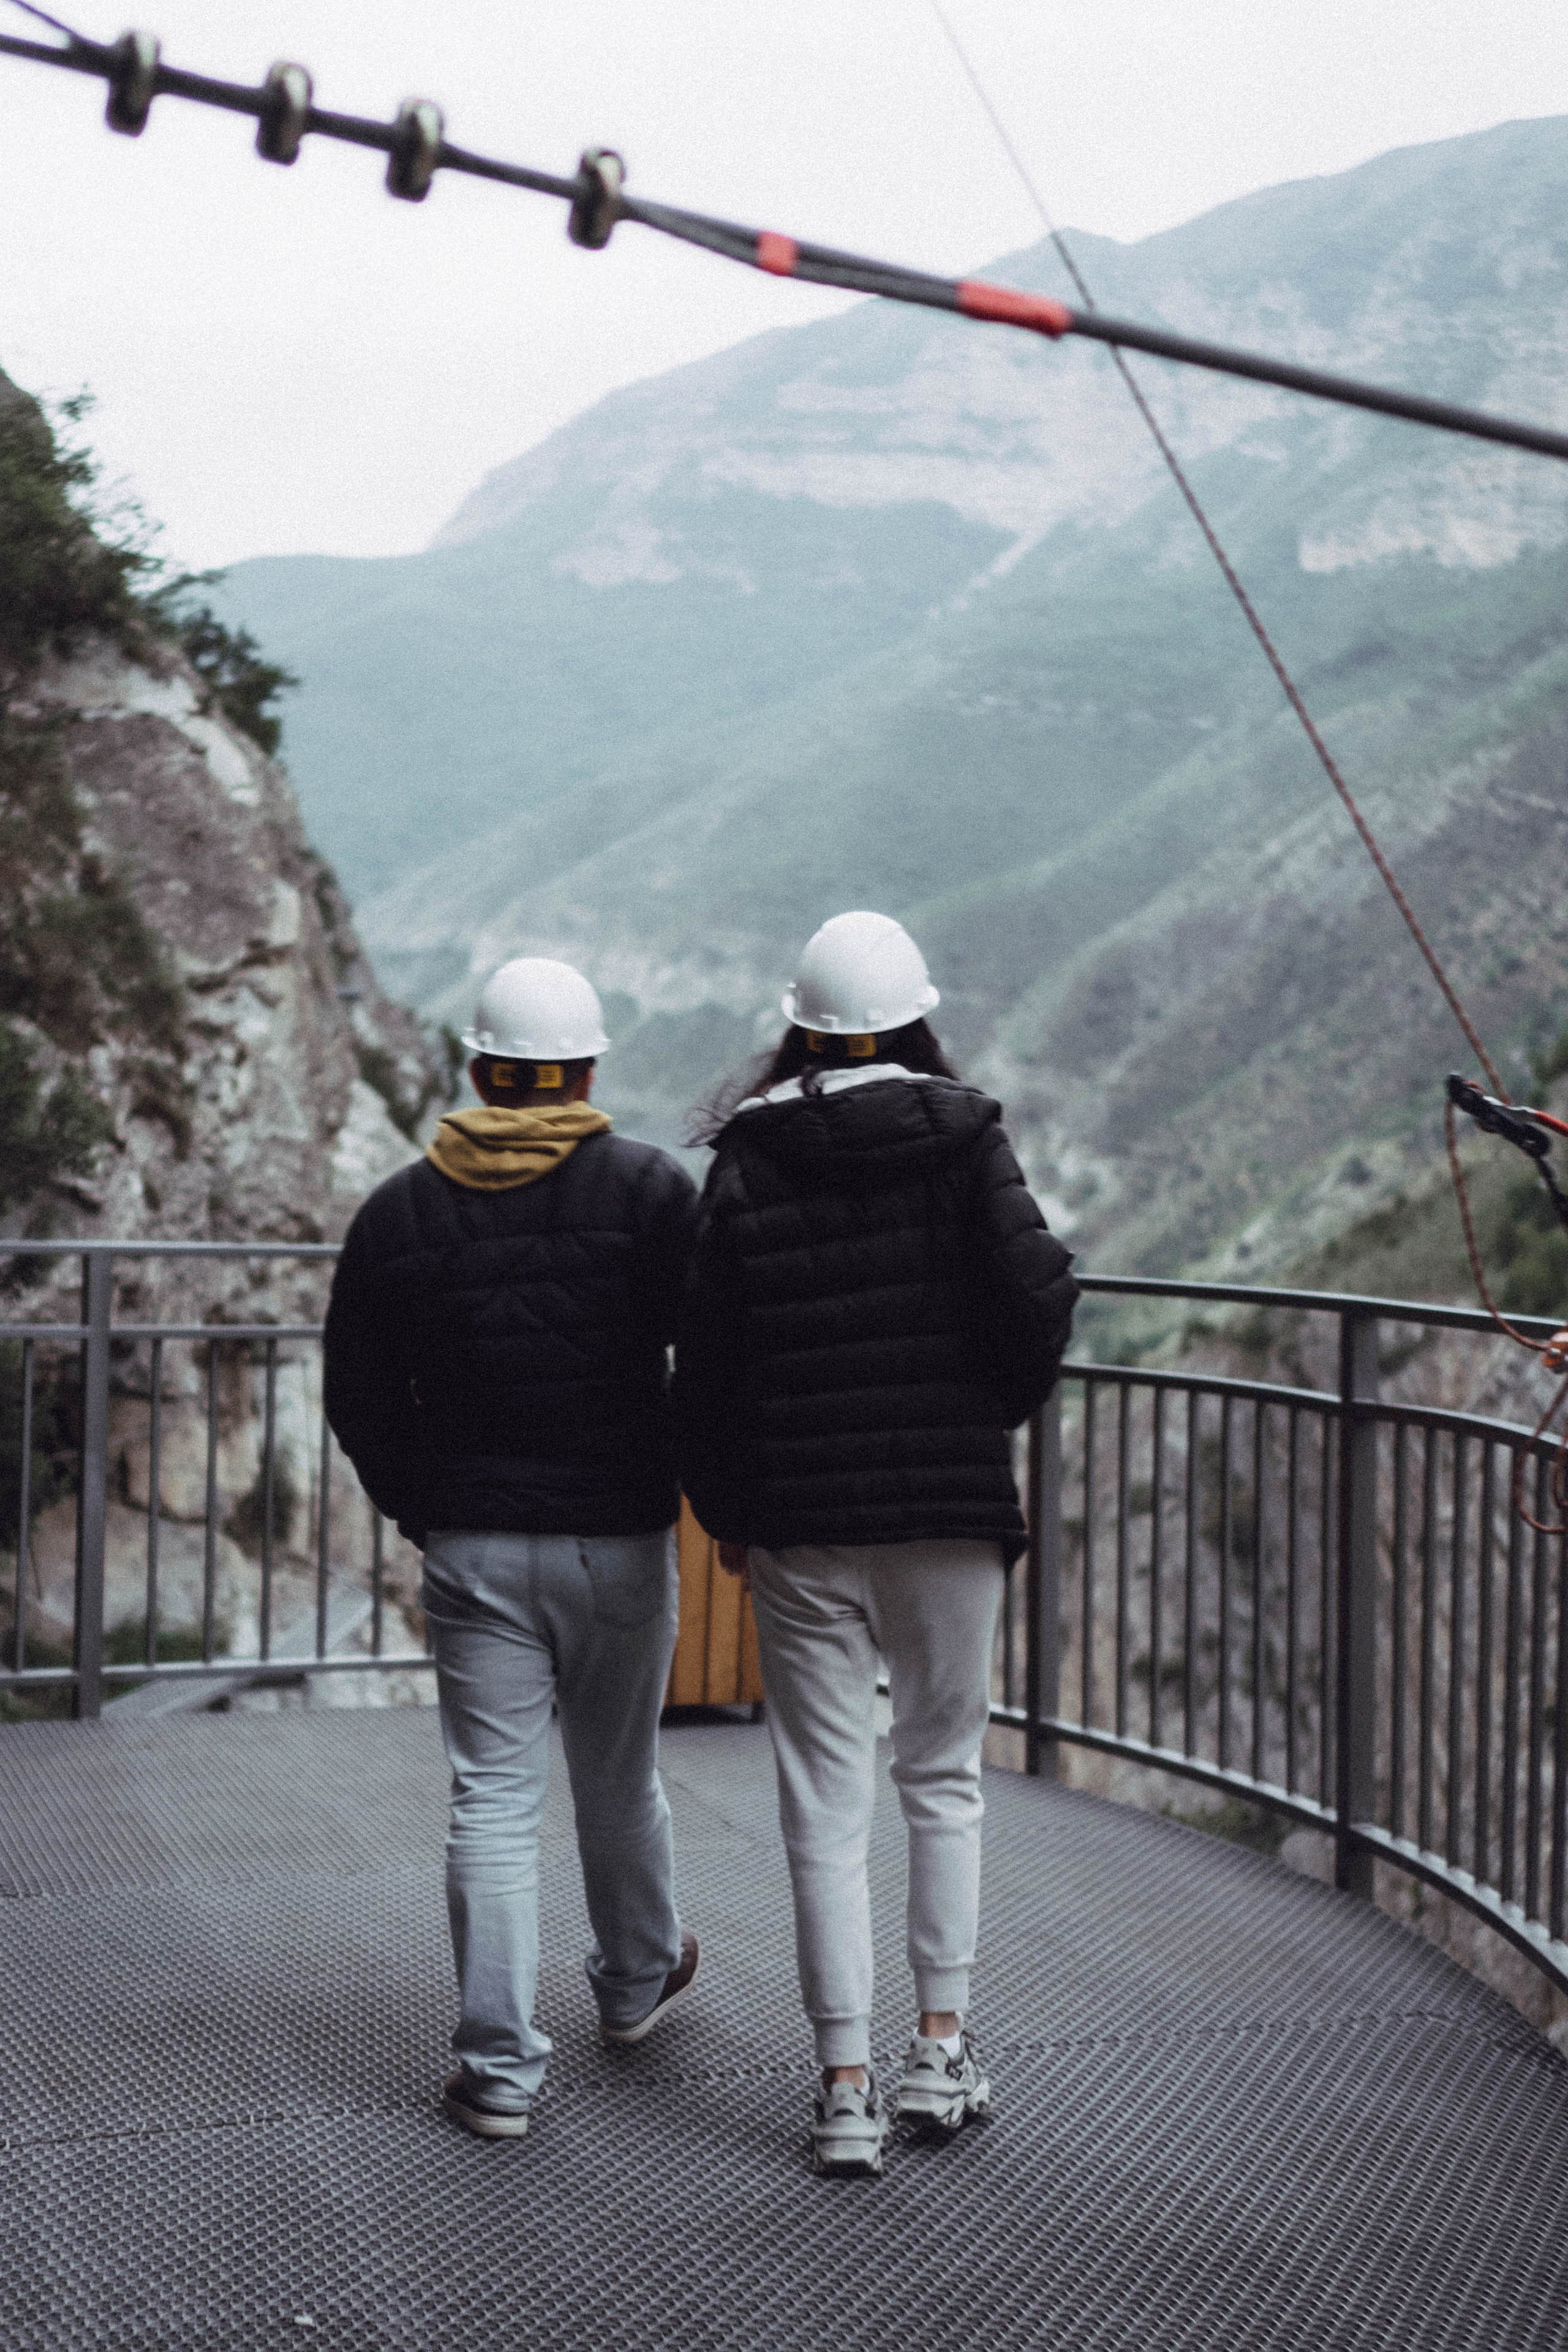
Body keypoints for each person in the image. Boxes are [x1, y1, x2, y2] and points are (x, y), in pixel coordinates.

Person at [674, 910, 1077, 2177]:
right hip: (950, 1518)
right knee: (942, 1778)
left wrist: (731, 1513)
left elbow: (705, 1361)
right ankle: (938, 2052)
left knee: (822, 1799)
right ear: (915, 1019)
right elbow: (1038, 1303)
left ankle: (843, 2086)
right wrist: (976, 1421)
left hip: (800, 1522)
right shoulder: (967, 1136)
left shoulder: (748, 1155)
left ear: (799, 1025)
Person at [324, 956, 701, 2138]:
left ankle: (498, 2071)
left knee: (492, 1799)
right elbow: (712, 1355)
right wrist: (675, 1473)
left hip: (475, 1542)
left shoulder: (398, 1211)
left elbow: (357, 1395)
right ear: (586, 1070)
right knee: (619, 1777)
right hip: (620, 1538)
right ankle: (635, 1984)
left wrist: (423, 1504)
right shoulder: (650, 1192)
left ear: (479, 1070)